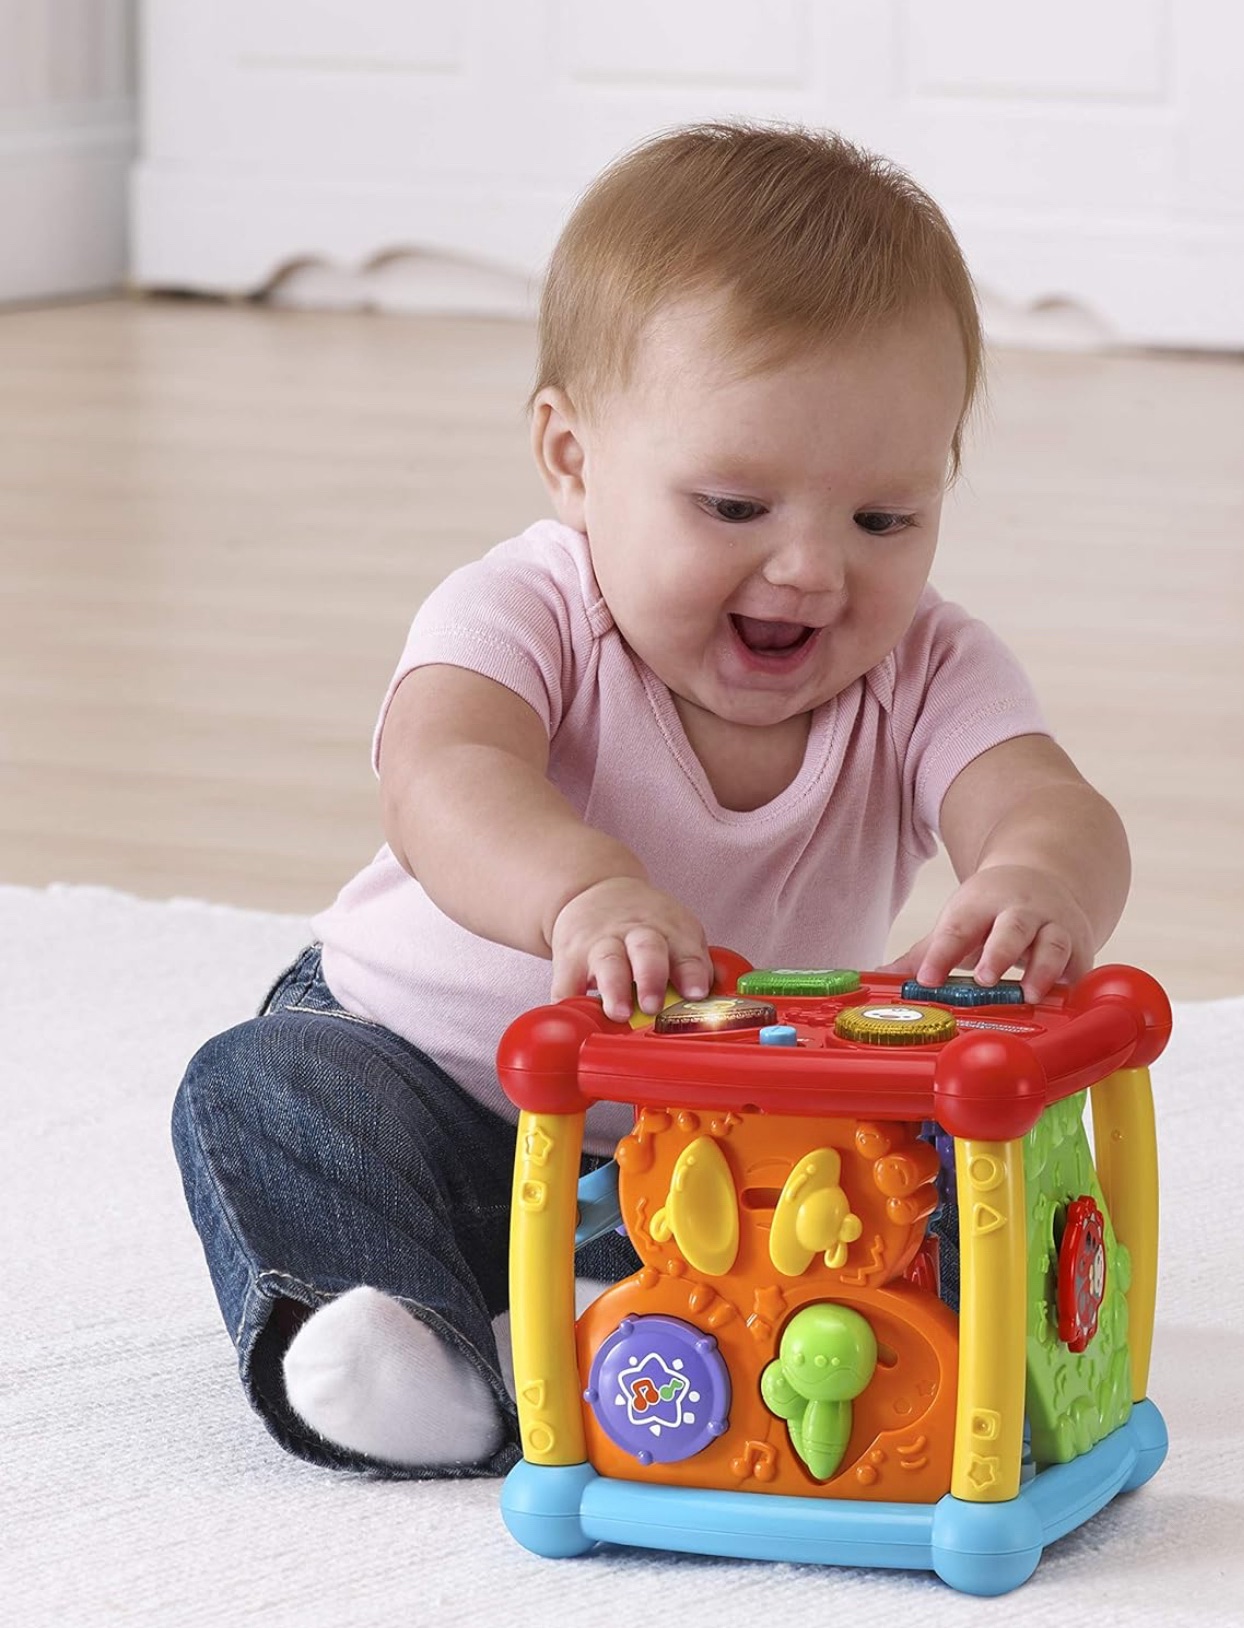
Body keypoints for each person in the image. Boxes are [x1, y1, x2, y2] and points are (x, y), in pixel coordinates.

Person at [172, 121, 1131, 1480]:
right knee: (260, 1087)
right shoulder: (526, 608)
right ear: (573, 459)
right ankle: (411, 1350)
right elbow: (443, 773)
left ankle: (621, 1311)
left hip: (718, 1134)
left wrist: (1034, 881)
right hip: (425, 1075)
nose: (811, 571)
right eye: (734, 505)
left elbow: (1048, 800)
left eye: (885, 520)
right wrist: (581, 891)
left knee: (898, 1171)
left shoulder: (927, 669)